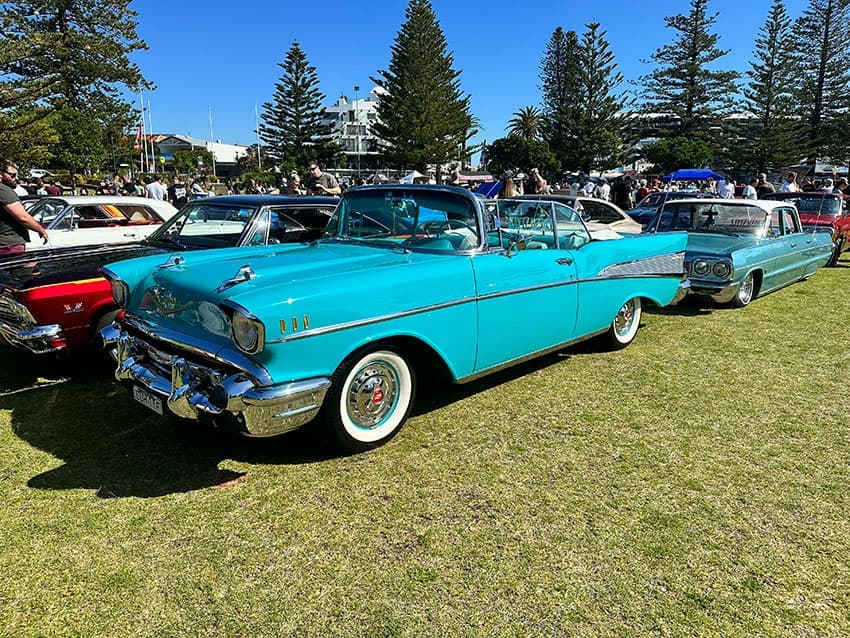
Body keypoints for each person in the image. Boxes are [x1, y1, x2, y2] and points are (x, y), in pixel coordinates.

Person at [0, 159, 48, 254]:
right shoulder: (3, 191)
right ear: (1, 174)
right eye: (12, 175)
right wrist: (40, 229)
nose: (16, 178)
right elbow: (23, 217)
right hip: (8, 245)